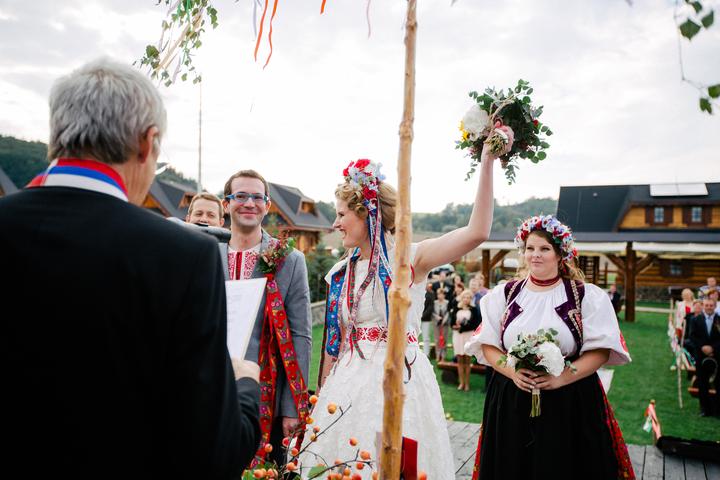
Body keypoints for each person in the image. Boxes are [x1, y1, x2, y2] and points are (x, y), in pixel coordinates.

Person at [0, 58, 261, 478]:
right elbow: (214, 453)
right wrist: (244, 384)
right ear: (147, 143)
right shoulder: (184, 257)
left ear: (56, 137)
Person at [304, 145, 501, 479]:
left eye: (341, 214)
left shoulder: (411, 257)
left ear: (367, 213)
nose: (335, 223)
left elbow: (476, 233)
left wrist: (486, 163)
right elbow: (335, 343)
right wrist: (322, 394)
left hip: (402, 379)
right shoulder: (340, 272)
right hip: (347, 385)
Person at [465, 215, 634, 480]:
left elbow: (600, 351)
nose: (535, 255)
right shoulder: (505, 295)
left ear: (560, 254)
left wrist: (560, 378)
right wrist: (512, 371)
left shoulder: (585, 296)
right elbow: (488, 345)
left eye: (544, 249)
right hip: (512, 399)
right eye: (530, 248)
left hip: (569, 402)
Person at [218, 169, 312, 466]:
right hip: (210, 388)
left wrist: (292, 407)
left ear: (267, 205)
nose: (249, 203)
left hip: (264, 394)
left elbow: (300, 334)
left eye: (257, 197)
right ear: (226, 204)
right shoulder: (206, 255)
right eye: (240, 196)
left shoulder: (290, 260)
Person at [685, 298, 720, 416]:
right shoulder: (696, 320)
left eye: (711, 305)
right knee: (702, 382)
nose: (709, 307)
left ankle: (717, 409)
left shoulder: (719, 320)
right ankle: (704, 409)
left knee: (718, 382)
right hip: (701, 355)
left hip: (717, 355)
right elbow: (692, 336)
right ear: (703, 306)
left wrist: (713, 348)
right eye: (707, 305)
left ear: (715, 306)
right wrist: (703, 347)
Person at [451, 289, 481, 391]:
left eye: (468, 297)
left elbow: (475, 324)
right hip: (458, 336)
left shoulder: (474, 309)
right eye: (464, 297)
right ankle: (461, 383)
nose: (466, 299)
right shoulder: (456, 308)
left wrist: (462, 328)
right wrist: (455, 326)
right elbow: (451, 323)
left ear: (471, 299)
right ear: (461, 298)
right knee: (459, 359)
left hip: (468, 336)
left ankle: (467, 383)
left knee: (467, 360)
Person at [433, 288, 451, 362]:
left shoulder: (447, 302)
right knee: (437, 340)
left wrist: (444, 320)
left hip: (445, 324)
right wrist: (437, 317)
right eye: (438, 294)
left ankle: (443, 356)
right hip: (436, 323)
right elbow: (432, 312)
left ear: (444, 295)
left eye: (441, 294)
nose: (440, 296)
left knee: (444, 340)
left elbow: (448, 312)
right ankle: (438, 355)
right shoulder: (435, 303)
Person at [421, 282, 435, 357]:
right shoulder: (417, 293)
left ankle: (426, 353)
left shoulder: (431, 294)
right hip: (416, 318)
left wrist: (422, 315)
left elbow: (430, 307)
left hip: (426, 318)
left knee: (425, 337)